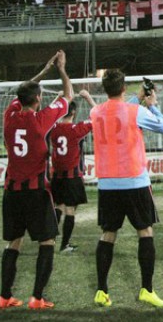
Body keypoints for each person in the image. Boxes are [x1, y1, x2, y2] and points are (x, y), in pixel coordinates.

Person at [0, 51, 72, 311]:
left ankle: (4, 296)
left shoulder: (10, 115)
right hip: (36, 192)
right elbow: (68, 96)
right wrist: (61, 69)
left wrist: (42, 72)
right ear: (39, 99)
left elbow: (24, 91)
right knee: (47, 241)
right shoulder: (41, 120)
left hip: (11, 192)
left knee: (13, 242)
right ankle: (37, 298)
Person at [91, 69, 163, 308]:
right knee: (145, 232)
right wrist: (152, 104)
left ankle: (101, 291)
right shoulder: (136, 111)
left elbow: (116, 110)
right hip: (135, 180)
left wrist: (137, 98)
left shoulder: (95, 112)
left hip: (107, 183)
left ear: (105, 89)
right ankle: (147, 289)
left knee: (108, 234)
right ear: (123, 88)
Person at [50, 89, 96, 254]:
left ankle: (50, 241)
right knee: (70, 209)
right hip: (72, 176)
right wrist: (88, 97)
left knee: (58, 206)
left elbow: (47, 114)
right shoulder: (77, 129)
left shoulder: (53, 128)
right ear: (74, 112)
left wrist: (58, 97)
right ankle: (64, 245)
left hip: (56, 176)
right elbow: (98, 116)